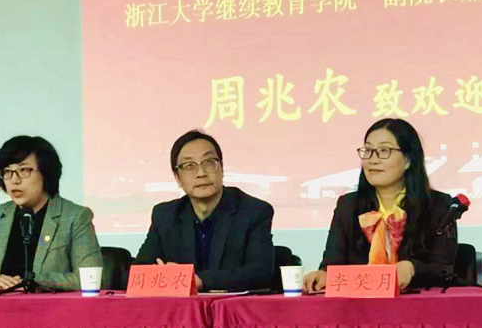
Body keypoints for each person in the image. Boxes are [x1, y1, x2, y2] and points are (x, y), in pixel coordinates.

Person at [304, 118, 458, 293]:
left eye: (384, 151)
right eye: (368, 151)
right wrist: (322, 275)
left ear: (408, 159)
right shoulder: (348, 206)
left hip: (417, 306)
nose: (373, 160)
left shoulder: (438, 205)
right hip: (359, 305)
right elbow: (332, 265)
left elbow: (444, 271)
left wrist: (412, 268)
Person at [135, 130, 275, 291]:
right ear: (177, 178)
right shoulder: (165, 216)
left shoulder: (254, 212)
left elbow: (260, 273)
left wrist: (199, 280)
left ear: (222, 169)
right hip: (182, 307)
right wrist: (162, 276)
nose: (201, 173)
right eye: (189, 166)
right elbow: (137, 273)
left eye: (208, 162)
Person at [0, 136, 102, 291]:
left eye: (23, 170)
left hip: (49, 306)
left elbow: (90, 279)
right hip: (0, 305)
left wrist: (32, 282)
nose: (14, 180)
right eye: (7, 172)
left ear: (46, 172)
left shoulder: (75, 216)